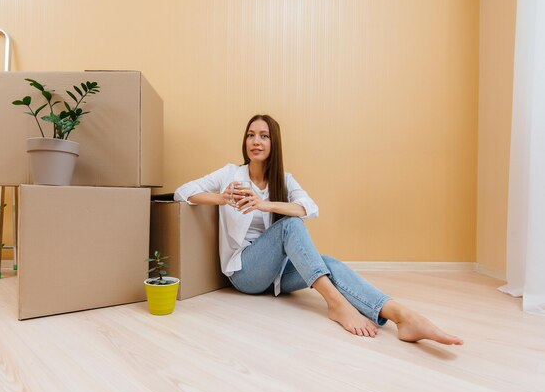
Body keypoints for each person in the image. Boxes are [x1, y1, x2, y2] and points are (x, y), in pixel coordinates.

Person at [174, 114, 463, 345]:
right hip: (245, 272)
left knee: (328, 263)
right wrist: (222, 198)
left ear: (274, 143)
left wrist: (265, 204)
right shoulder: (229, 174)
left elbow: (310, 207)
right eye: (251, 135)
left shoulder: (283, 180)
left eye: (264, 136)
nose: (256, 141)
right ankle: (336, 304)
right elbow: (182, 191)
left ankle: (402, 316)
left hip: (275, 274)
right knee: (290, 227)